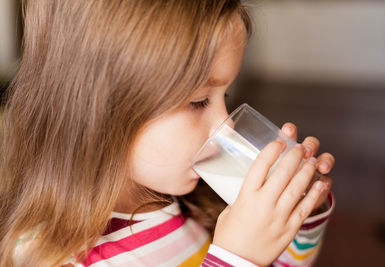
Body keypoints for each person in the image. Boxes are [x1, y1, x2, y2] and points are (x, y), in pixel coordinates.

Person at [0, 0, 335, 266]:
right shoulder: (52, 256)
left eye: (226, 96)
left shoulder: (193, 207)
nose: (227, 123)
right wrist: (236, 259)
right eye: (199, 101)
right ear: (102, 109)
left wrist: (298, 212)